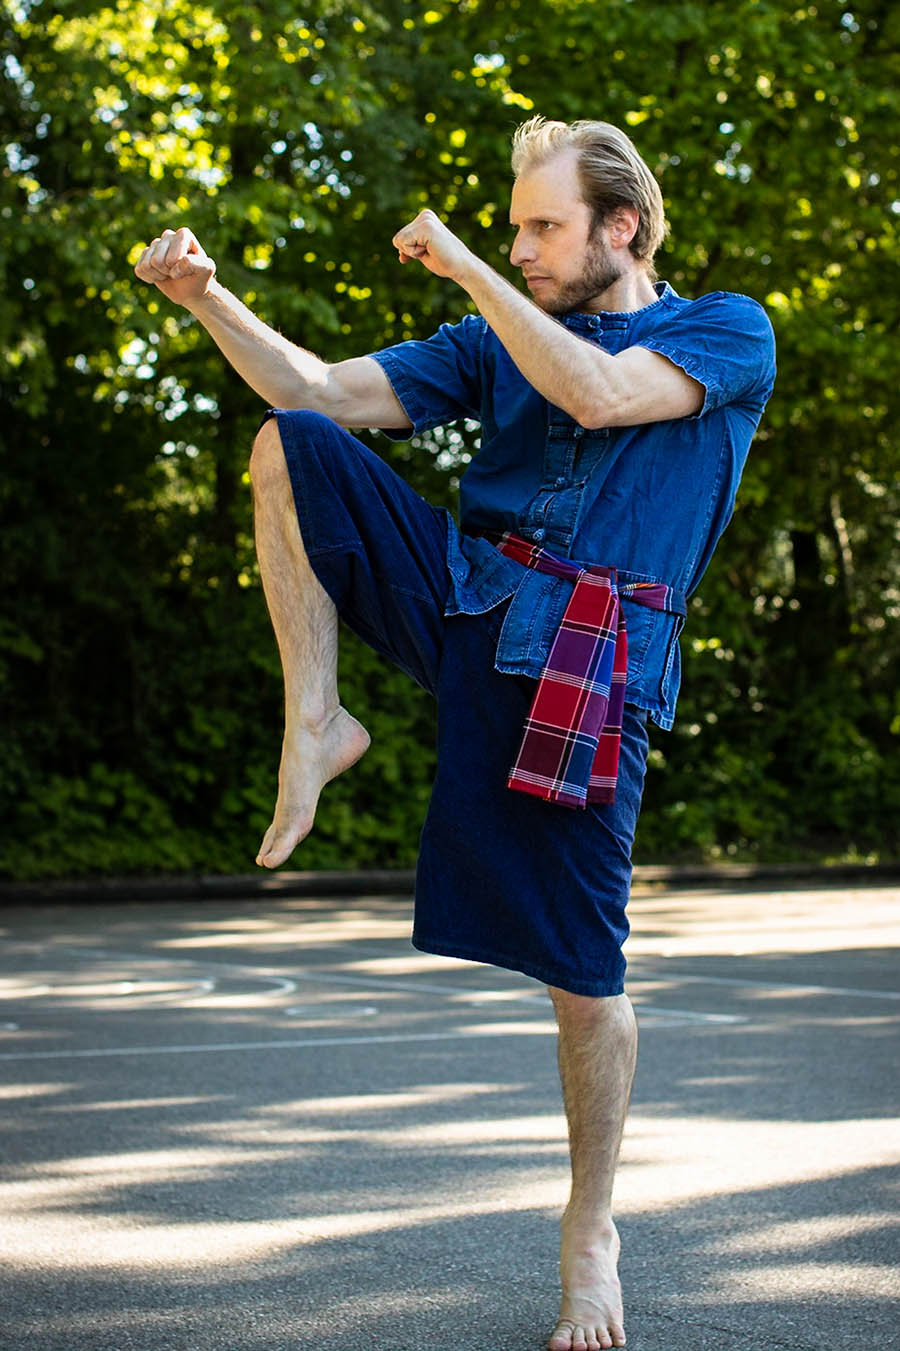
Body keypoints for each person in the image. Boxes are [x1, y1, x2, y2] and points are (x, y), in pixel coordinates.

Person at [134, 115, 776, 1351]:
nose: (521, 247)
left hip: (584, 656)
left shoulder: (724, 331)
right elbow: (316, 388)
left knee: (583, 975)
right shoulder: (492, 339)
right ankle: (316, 721)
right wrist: (208, 300)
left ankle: (592, 1229)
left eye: (542, 227)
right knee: (294, 446)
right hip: (466, 594)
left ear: (621, 228)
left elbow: (594, 392)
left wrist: (472, 268)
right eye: (514, 228)